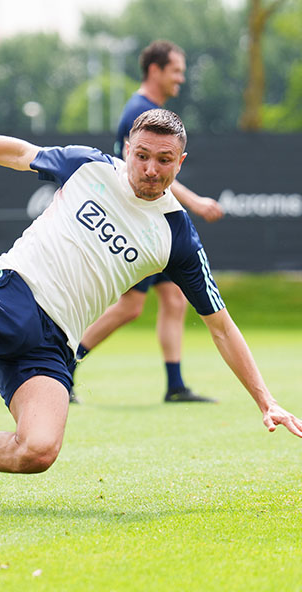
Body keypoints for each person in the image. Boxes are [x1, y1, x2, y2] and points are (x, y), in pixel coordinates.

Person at [0, 109, 302, 506]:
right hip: (10, 289)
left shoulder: (177, 237)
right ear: (127, 149)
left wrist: (266, 401)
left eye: (164, 160)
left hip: (55, 339)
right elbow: (20, 153)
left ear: (181, 162)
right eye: (142, 155)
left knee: (38, 450)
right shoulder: (88, 165)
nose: (151, 169)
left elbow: (221, 326)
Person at [70, 40, 225, 405]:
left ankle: (176, 386)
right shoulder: (141, 113)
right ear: (155, 70)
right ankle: (63, 364)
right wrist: (196, 202)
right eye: (176, 71)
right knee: (130, 306)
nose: (181, 79)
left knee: (174, 299)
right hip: (139, 222)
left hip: (154, 221)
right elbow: (146, 174)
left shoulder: (149, 112)